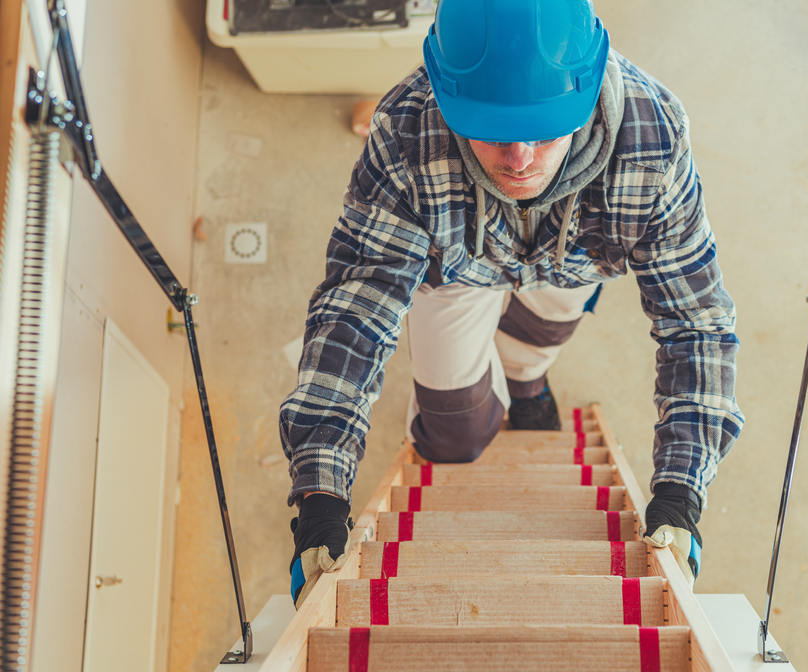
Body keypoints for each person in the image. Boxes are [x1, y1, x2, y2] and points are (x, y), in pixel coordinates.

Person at [281, 0, 744, 606]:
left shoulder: (653, 134)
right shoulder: (404, 133)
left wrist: (682, 488)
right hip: (454, 272)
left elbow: (695, 320)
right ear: (446, 96)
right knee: (453, 438)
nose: (520, 160)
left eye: (547, 129)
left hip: (576, 259)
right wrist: (321, 491)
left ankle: (524, 386)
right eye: (494, 130)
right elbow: (355, 311)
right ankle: (498, 393)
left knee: (536, 344)